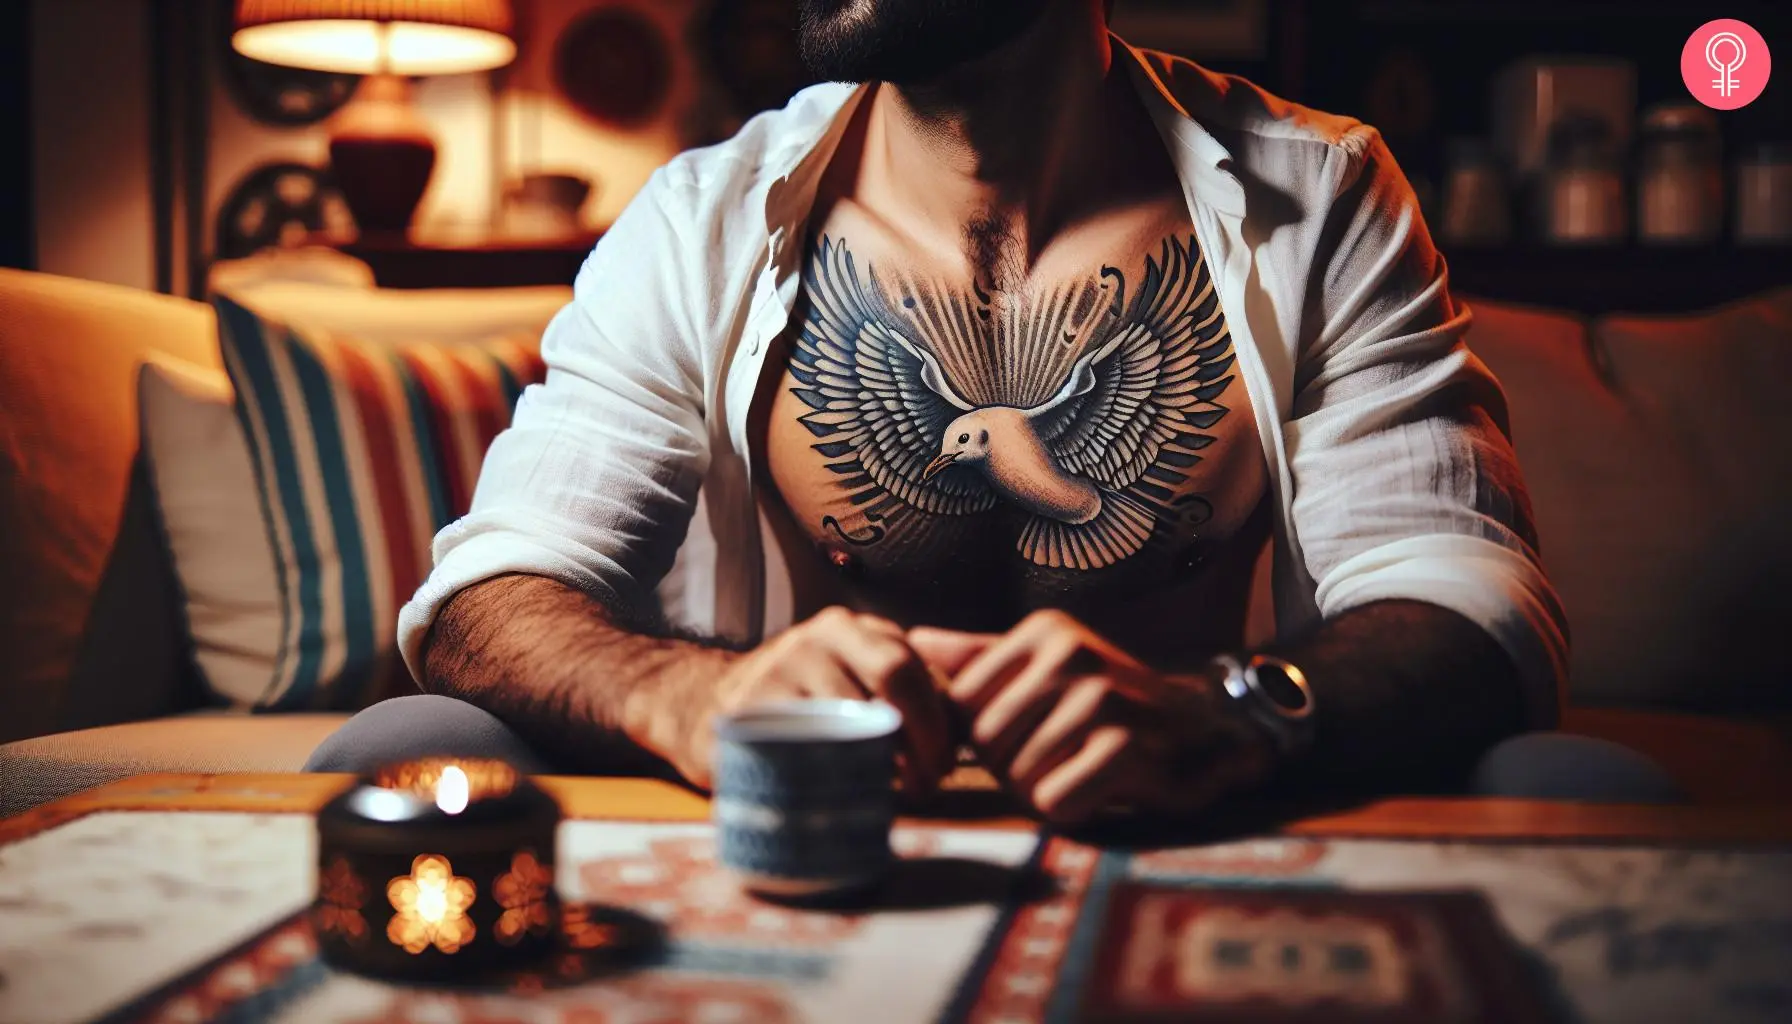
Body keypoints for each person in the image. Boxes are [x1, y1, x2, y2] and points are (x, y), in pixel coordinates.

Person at [307, 0, 1683, 814]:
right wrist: (689, 695)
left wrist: (1240, 715)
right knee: (400, 752)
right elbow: (493, 594)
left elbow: (1470, 604)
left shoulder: (1320, 198)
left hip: (1184, 827)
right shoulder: (701, 220)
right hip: (813, 847)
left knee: (1590, 796)